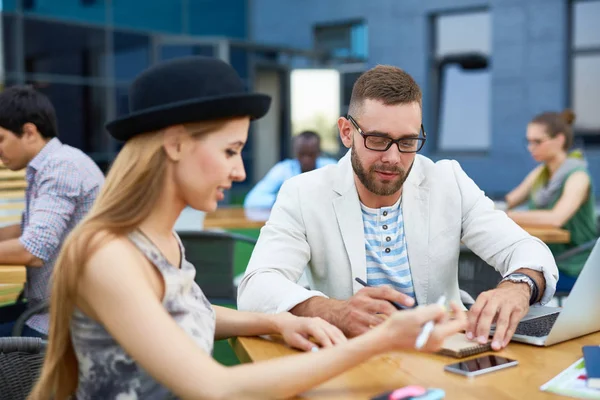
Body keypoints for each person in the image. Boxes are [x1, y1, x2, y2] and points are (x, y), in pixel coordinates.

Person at [29, 57, 467, 400]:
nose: (239, 171)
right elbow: (217, 388)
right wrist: (379, 341)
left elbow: (186, 314)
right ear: (175, 143)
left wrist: (277, 322)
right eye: (231, 150)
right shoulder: (109, 257)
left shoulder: (159, 240)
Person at [238, 65, 559, 352]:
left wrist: (518, 286)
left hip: (444, 352)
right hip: (352, 356)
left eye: (407, 142)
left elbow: (524, 248)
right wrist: (333, 310)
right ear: (347, 132)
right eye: (378, 139)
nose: (393, 157)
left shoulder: (447, 180)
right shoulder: (303, 192)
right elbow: (256, 286)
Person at [0, 86, 104, 338]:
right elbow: (26, 229)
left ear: (29, 132)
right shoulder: (50, 165)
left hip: (63, 321)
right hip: (46, 308)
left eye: (0, 139)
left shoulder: (62, 167)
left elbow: (33, 249)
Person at [505, 110, 597, 288]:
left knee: (513, 283)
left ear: (559, 140)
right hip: (545, 261)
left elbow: (556, 219)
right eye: (529, 142)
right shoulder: (541, 173)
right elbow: (509, 200)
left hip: (575, 265)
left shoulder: (578, 176)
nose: (531, 148)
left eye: (537, 142)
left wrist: (506, 215)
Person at [243, 131, 337, 209]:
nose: (306, 159)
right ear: (295, 152)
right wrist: (284, 200)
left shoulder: (331, 168)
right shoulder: (283, 169)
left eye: (311, 154)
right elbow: (251, 200)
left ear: (319, 152)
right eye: (302, 154)